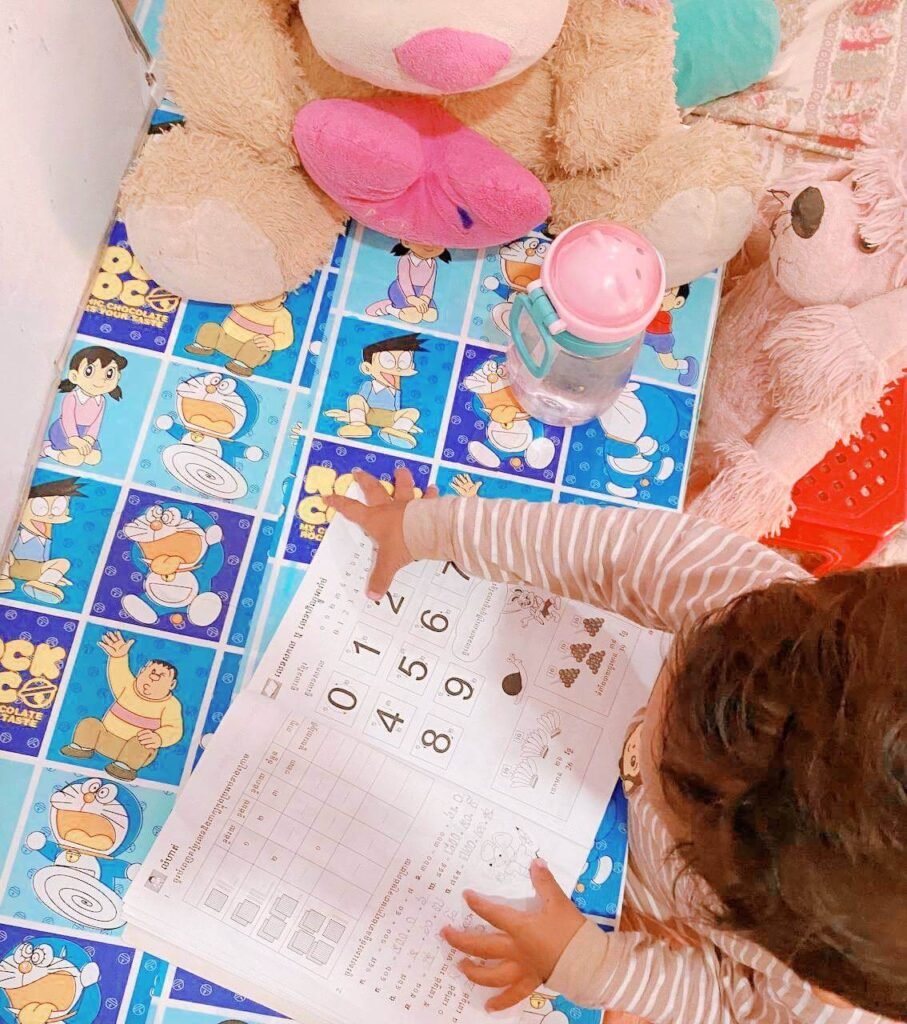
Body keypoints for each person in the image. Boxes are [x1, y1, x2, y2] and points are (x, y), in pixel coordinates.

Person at [326, 469, 906, 1024]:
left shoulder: (824, 1002)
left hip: (649, 901)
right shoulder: (777, 629)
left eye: (666, 772)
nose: (668, 688)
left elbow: (737, 1000)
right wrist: (434, 528)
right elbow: (626, 552)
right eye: (687, 661)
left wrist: (592, 968)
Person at [61, 630, 183, 781]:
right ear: (140, 671)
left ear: (172, 684)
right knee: (90, 723)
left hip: (133, 751)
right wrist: (118, 657)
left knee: (142, 744)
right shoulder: (128, 687)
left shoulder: (171, 705)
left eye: (161, 676)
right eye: (151, 672)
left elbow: (174, 729)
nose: (153, 677)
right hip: (104, 739)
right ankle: (82, 748)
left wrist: (159, 737)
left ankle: (124, 768)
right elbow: (119, 673)